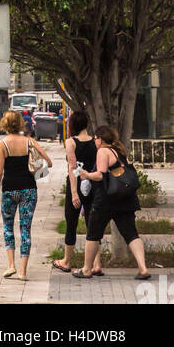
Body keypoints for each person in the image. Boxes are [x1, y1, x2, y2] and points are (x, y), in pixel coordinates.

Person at [73, 124, 151, 280]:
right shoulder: (120, 151)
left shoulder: (103, 151)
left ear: (100, 139)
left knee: (93, 234)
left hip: (106, 199)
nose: (95, 141)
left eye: (95, 138)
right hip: (125, 199)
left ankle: (87, 269)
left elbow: (101, 175)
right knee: (131, 234)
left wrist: (86, 174)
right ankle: (143, 269)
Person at [0, 109, 53, 279]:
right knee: (26, 229)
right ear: (20, 123)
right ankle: (23, 271)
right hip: (29, 190)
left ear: (4, 124)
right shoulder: (29, 141)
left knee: (8, 227)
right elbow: (49, 162)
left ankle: (11, 266)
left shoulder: (2, 145)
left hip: (9, 190)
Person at [53, 110, 103, 275]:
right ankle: (96, 264)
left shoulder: (71, 142)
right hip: (93, 185)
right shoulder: (96, 142)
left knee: (71, 223)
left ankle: (66, 261)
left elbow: (72, 168)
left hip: (77, 186)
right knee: (92, 224)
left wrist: (74, 193)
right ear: (87, 124)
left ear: (72, 125)